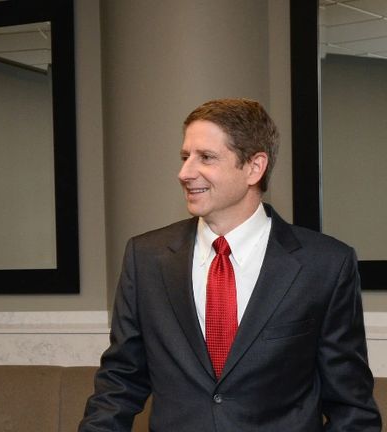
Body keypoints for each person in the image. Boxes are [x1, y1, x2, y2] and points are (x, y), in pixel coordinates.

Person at [79, 98, 382, 431]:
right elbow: (120, 381)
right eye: (185, 157)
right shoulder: (146, 256)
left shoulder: (325, 264)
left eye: (206, 157)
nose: (184, 173)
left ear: (254, 167)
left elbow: (352, 408)